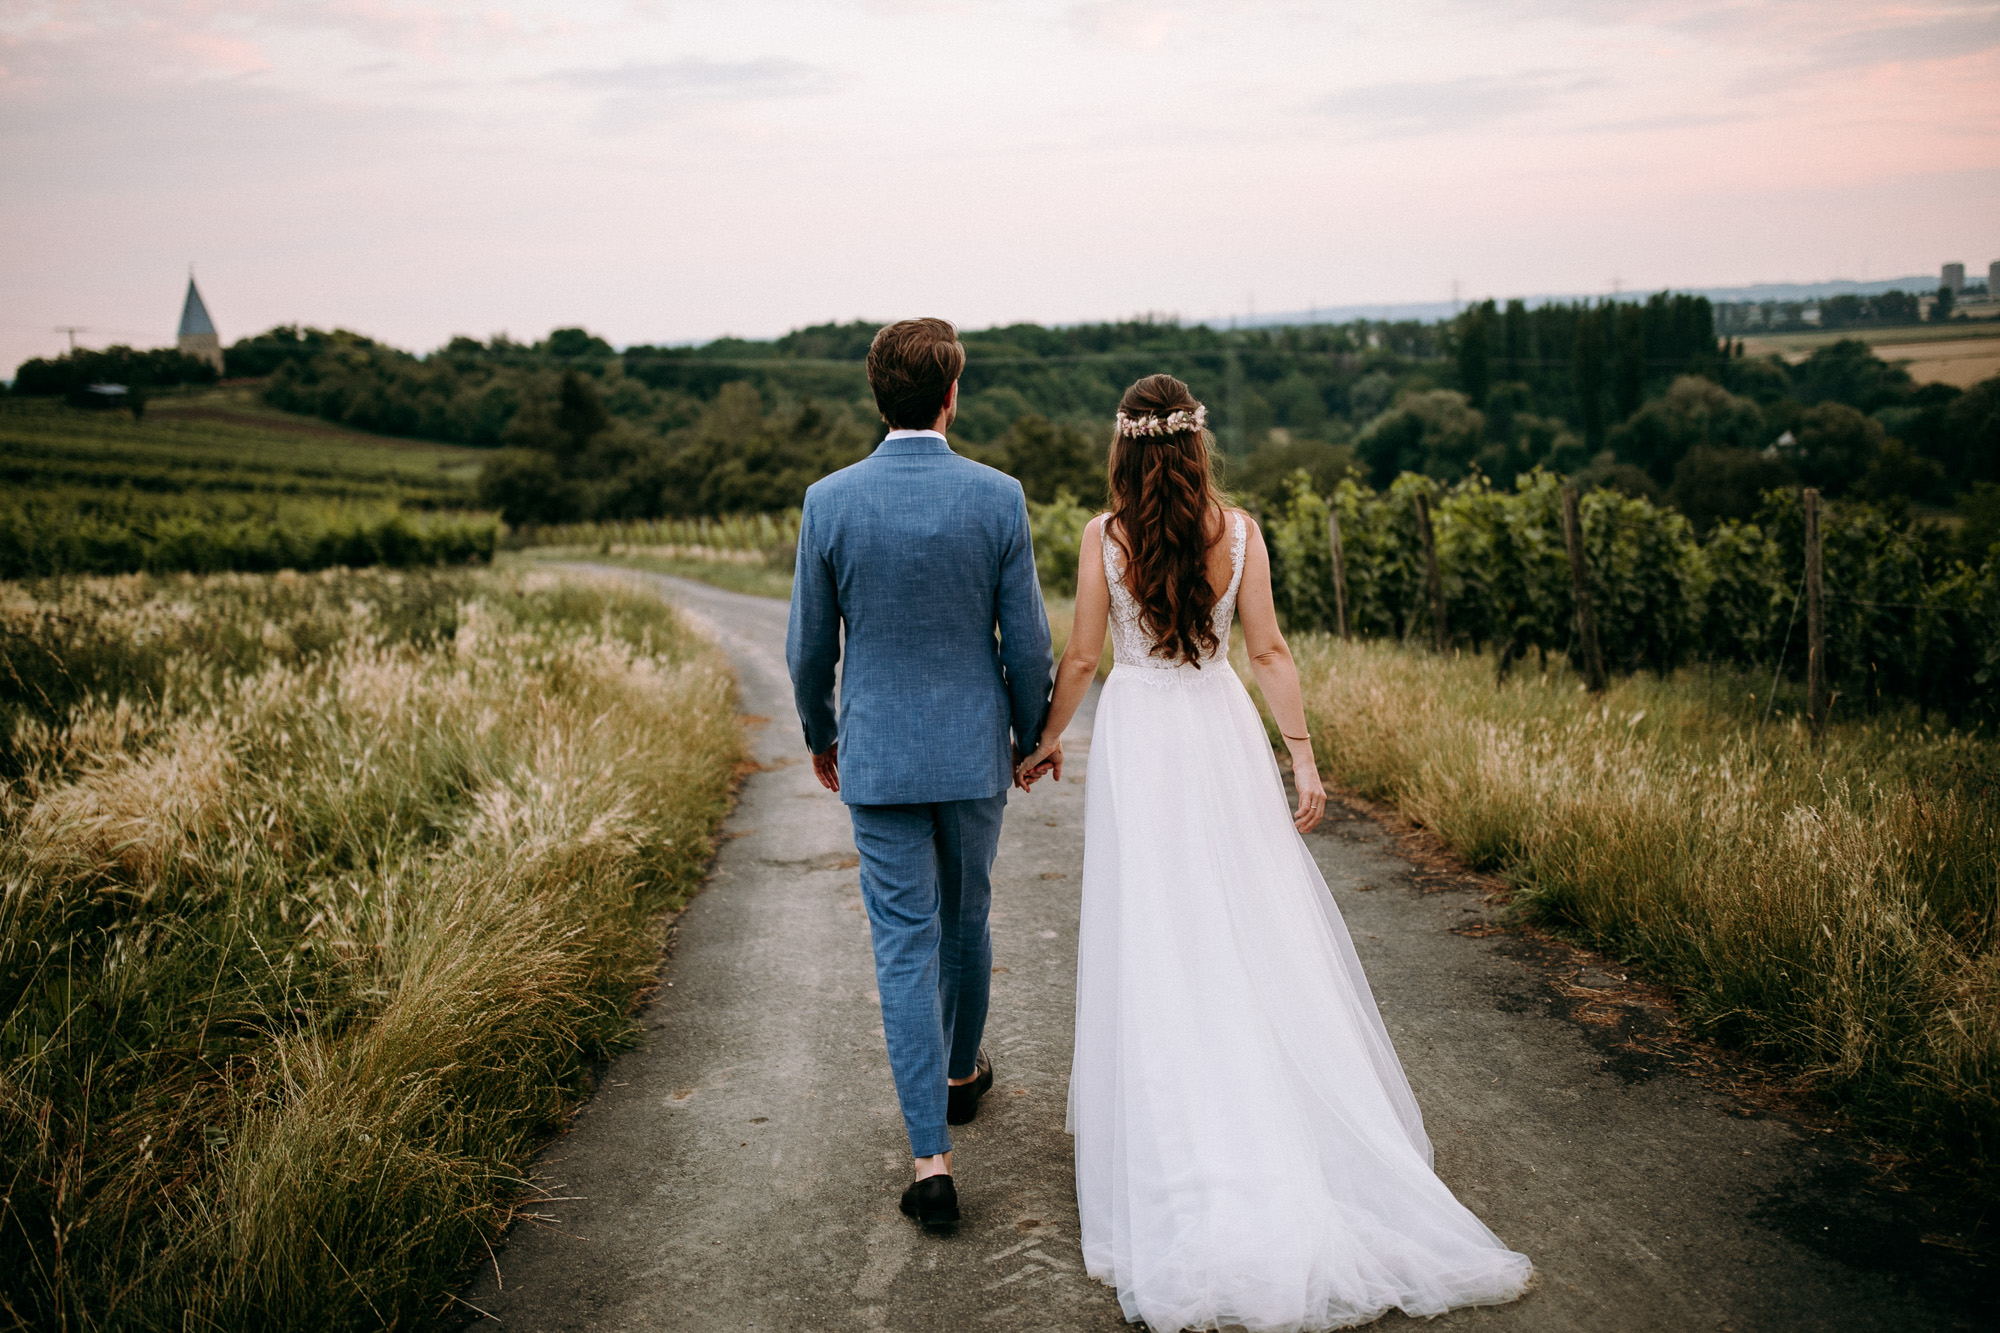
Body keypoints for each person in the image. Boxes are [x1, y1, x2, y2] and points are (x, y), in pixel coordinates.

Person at [1014, 374, 1533, 1331]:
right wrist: (1301, 756)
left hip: (1142, 736)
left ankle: (1183, 1126)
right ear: (1198, 445)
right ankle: (1280, 1108)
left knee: (1158, 922)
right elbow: (1270, 652)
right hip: (1216, 730)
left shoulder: (1103, 536)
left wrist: (1046, 738)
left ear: (1123, 448)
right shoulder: (1241, 531)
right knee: (1248, 917)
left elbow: (1083, 657)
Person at [785, 317, 1057, 1234]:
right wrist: (1029, 735)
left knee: (904, 938)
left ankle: (930, 1157)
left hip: (880, 754)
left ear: (879, 395)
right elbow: (1026, 639)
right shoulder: (999, 496)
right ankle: (958, 1072)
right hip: (973, 750)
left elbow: (807, 648)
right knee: (968, 912)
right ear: (950, 395)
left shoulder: (829, 500)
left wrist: (825, 733)